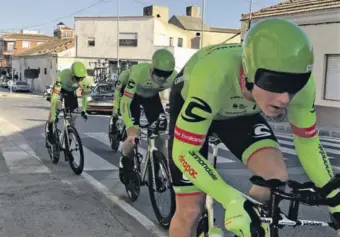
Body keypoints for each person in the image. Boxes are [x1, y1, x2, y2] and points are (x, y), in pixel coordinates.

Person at [167, 17, 340, 237]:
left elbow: (308, 143)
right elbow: (184, 152)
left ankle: (249, 221)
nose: (285, 98)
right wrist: (229, 198)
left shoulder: (302, 88)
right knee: (190, 209)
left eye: (296, 86)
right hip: (196, 101)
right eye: (275, 83)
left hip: (238, 114)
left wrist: (334, 199)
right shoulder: (213, 74)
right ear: (249, 71)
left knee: (274, 176)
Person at [118, 49, 177, 185]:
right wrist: (130, 126)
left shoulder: (174, 77)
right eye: (159, 74)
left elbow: (179, 101)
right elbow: (125, 102)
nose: (162, 78)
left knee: (161, 135)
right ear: (152, 69)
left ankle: (156, 171)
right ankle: (125, 159)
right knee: (134, 136)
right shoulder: (138, 72)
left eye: (166, 75)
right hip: (134, 98)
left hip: (152, 99)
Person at [47, 61, 90, 144]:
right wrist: (53, 116)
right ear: (71, 75)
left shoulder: (86, 80)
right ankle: (50, 127)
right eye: (77, 78)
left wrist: (84, 110)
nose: (80, 81)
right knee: (57, 108)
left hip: (71, 92)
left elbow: (85, 96)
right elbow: (54, 98)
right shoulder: (63, 76)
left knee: (72, 118)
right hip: (61, 90)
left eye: (82, 78)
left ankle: (68, 139)